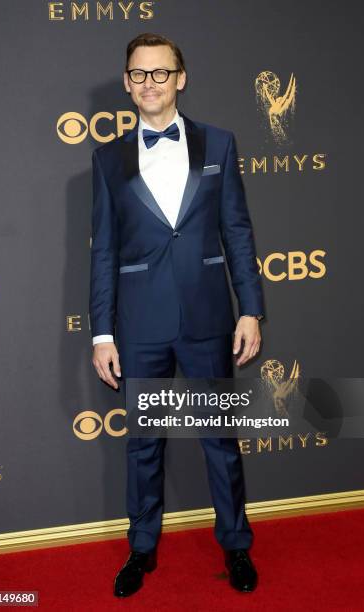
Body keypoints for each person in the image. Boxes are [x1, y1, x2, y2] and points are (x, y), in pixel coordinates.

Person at [89, 32, 265, 597]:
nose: (150, 84)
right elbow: (104, 252)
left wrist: (250, 310)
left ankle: (236, 547)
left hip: (210, 317)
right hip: (139, 326)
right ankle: (142, 550)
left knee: (220, 439)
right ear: (126, 83)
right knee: (143, 443)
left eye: (160, 73)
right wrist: (101, 332)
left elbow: (237, 232)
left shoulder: (220, 144)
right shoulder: (107, 158)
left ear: (180, 78)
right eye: (139, 75)